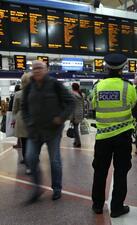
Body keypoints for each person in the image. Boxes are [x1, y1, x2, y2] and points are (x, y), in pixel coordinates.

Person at [22, 60, 74, 203]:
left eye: (40, 68)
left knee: (55, 161)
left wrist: (61, 118)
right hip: (35, 131)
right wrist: (28, 121)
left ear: (46, 69)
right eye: (34, 68)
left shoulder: (55, 84)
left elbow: (71, 101)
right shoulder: (29, 87)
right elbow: (24, 107)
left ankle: (57, 188)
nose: (37, 70)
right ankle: (37, 189)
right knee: (30, 158)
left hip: (53, 131)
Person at [91, 54, 137, 218]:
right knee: (121, 171)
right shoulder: (128, 87)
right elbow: (133, 104)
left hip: (102, 137)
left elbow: (93, 105)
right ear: (123, 68)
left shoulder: (98, 86)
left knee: (100, 171)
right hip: (123, 137)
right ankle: (117, 207)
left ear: (106, 67)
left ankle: (97, 205)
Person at [12, 73, 32, 174]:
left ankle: (27, 163)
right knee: (33, 143)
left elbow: (14, 109)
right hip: (33, 119)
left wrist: (13, 120)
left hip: (21, 119)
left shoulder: (18, 94)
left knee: (24, 143)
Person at [71, 83, 84, 148]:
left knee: (75, 128)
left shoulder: (72, 95)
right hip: (80, 112)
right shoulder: (81, 94)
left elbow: (72, 106)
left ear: (72, 87)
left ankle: (78, 142)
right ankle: (75, 141)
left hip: (75, 113)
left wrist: (71, 117)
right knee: (75, 127)